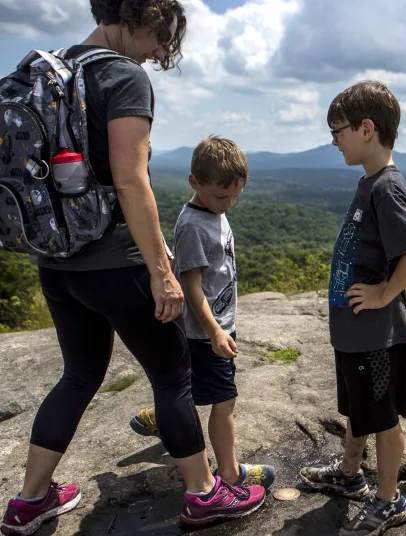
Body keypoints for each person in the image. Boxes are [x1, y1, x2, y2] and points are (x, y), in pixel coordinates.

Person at [0, 3, 264, 534]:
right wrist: (162, 270)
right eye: (164, 42)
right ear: (145, 18)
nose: (161, 55)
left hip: (58, 262)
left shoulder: (52, 69)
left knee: (78, 375)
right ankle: (203, 493)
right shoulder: (121, 76)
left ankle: (29, 502)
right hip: (114, 262)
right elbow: (131, 180)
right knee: (172, 374)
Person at [299, 81, 406, 536]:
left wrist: (382, 294)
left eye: (338, 130)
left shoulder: (387, 186)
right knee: (360, 409)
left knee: (384, 418)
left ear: (367, 128)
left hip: (376, 333)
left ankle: (389, 500)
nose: (334, 139)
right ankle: (350, 474)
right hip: (355, 332)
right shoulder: (370, 182)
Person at [128, 135, 276, 492]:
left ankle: (162, 419)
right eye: (221, 196)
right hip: (206, 331)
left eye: (235, 196)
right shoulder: (194, 225)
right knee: (225, 401)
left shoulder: (211, 212)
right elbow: (192, 286)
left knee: (192, 387)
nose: (228, 204)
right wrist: (214, 331)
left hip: (216, 328)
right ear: (194, 183)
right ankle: (230, 472)